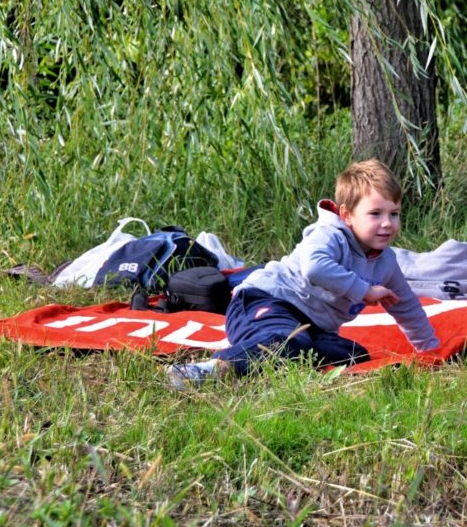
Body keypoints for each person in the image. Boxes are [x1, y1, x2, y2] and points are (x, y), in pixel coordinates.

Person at [167, 159, 440, 388]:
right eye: (375, 213)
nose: (387, 223)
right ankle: (210, 369)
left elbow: (406, 305)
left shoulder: (386, 261)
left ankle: (278, 358)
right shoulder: (330, 234)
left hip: (311, 325)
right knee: (287, 341)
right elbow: (315, 268)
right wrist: (365, 291)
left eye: (394, 214)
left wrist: (430, 351)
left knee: (354, 354)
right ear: (347, 215)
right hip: (265, 300)